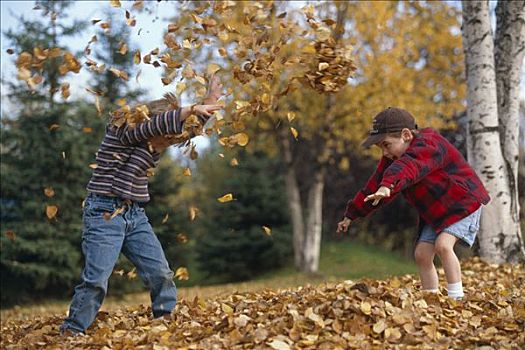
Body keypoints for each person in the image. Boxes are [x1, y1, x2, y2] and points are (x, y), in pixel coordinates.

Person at [60, 77, 223, 335]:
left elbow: (184, 131)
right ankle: (72, 330)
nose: (168, 142)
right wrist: (191, 108)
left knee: (161, 273)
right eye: (165, 136)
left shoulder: (157, 137)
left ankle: (164, 319)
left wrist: (210, 101)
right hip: (103, 213)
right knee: (96, 281)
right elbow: (152, 127)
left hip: (134, 214)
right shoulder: (124, 129)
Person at [336, 107, 490, 300]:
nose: (384, 153)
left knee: (443, 245)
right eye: (380, 148)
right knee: (422, 254)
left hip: (463, 203)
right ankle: (430, 300)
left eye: (386, 145)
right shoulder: (393, 158)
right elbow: (374, 185)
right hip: (436, 213)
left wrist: (388, 185)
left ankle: (457, 301)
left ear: (406, 135)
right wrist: (351, 214)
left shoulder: (429, 145)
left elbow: (409, 166)